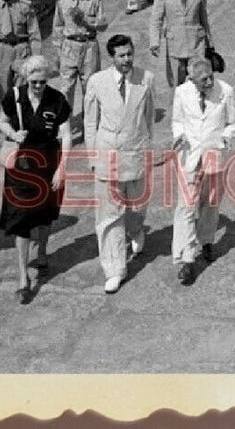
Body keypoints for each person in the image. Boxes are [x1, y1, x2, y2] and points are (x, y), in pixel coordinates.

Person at [83, 33, 157, 294]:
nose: (126, 60)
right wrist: (92, 157)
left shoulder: (145, 79)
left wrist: (147, 150)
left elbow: (149, 119)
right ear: (111, 57)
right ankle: (114, 269)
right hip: (107, 155)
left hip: (135, 152)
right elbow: (90, 123)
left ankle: (136, 230)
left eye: (129, 54)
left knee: (136, 205)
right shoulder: (96, 82)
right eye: (121, 55)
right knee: (109, 217)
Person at [0, 55, 72, 305]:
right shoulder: (15, 96)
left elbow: (66, 134)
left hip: (48, 162)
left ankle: (42, 251)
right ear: (26, 78)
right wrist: (13, 134)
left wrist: (62, 167)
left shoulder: (57, 99)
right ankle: (22, 277)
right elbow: (2, 122)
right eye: (34, 81)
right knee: (21, 218)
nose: (38, 86)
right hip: (21, 165)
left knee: (46, 212)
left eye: (42, 81)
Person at [169, 57, 235, 285]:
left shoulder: (226, 91)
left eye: (211, 76)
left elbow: (232, 123)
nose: (209, 81)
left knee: (210, 201)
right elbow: (177, 120)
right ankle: (187, 260)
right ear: (191, 79)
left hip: (213, 154)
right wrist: (179, 136)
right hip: (189, 156)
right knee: (186, 206)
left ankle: (207, 239)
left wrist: (225, 139)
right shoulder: (182, 92)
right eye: (203, 79)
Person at [147, 0, 213, 91]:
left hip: (196, 44)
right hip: (175, 44)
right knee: (177, 83)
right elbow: (156, 19)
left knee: (199, 80)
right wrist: (154, 42)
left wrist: (209, 43)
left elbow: (204, 19)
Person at [53, 0, 103, 132]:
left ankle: (88, 127)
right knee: (66, 89)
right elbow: (58, 27)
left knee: (90, 88)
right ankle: (65, 129)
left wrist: (86, 21)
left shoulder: (94, 0)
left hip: (89, 45)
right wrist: (58, 52)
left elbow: (103, 24)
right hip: (69, 46)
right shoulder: (63, 1)